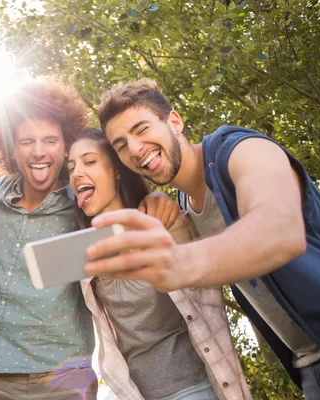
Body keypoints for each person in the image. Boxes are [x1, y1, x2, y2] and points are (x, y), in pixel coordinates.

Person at [88, 78, 320, 398]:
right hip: (309, 367)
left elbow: (280, 229)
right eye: (120, 145)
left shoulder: (239, 149)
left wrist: (180, 264)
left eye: (142, 129)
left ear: (174, 121)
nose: (134, 148)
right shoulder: (183, 205)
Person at [0, 81, 178, 399]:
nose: (38, 151)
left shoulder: (84, 207)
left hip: (65, 380)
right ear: (12, 147)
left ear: (65, 146)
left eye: (50, 140)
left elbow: (125, 211)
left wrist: (157, 200)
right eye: (27, 141)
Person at [68, 128, 251, 400]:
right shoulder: (81, 251)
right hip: (136, 393)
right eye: (71, 167)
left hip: (196, 387)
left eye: (89, 161)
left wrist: (162, 203)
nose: (76, 173)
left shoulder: (164, 223)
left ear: (117, 170)